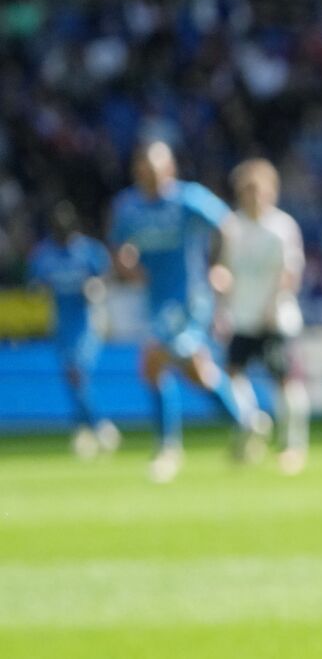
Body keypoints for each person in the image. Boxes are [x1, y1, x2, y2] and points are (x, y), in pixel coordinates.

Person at [109, 140, 265, 483]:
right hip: (155, 300)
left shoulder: (187, 199)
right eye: (143, 171)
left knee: (153, 359)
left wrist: (219, 266)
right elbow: (119, 248)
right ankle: (245, 421)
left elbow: (228, 225)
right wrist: (127, 267)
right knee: (196, 371)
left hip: (189, 297)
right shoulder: (128, 207)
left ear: (169, 169)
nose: (149, 177)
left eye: (154, 170)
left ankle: (167, 449)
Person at [210, 158, 310, 475]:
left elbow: (290, 271)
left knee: (284, 380)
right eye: (246, 189)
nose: (252, 195)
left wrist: (274, 304)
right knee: (232, 374)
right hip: (241, 316)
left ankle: (293, 444)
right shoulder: (232, 226)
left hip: (275, 318)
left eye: (258, 189)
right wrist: (220, 294)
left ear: (271, 191)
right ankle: (252, 424)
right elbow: (224, 266)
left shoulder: (281, 227)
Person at [27, 201, 119, 459]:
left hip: (89, 321)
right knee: (73, 376)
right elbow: (36, 284)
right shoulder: (45, 253)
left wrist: (96, 287)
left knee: (77, 372)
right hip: (61, 324)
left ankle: (100, 425)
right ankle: (84, 428)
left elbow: (107, 277)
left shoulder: (89, 250)